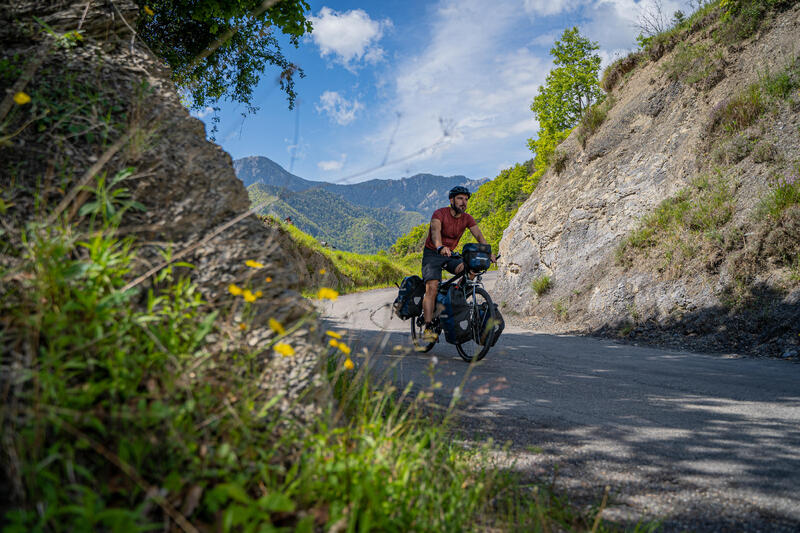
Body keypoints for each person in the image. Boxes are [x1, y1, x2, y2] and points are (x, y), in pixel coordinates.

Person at [421, 185, 495, 341]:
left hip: (449, 254)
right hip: (433, 254)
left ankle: (457, 294)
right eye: (460, 198)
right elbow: (435, 233)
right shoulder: (439, 213)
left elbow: (479, 237)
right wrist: (440, 246)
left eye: (466, 199)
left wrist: (489, 253)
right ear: (451, 200)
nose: (464, 202)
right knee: (432, 287)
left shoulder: (467, 218)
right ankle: (428, 327)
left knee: (471, 268)